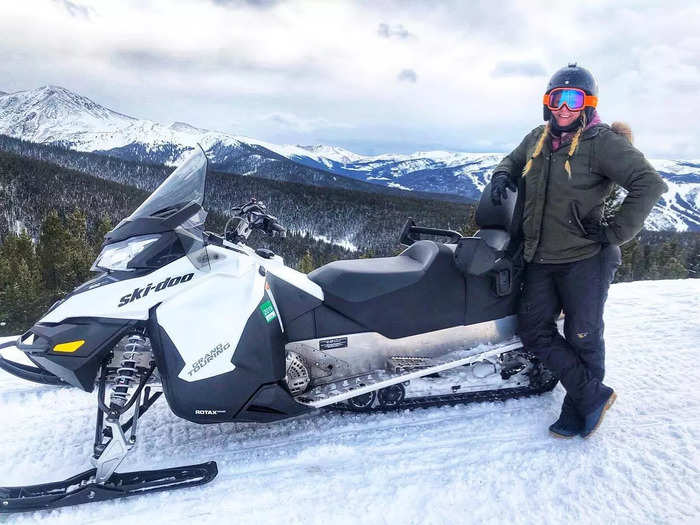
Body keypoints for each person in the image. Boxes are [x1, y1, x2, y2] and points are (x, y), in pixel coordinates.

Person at [489, 63, 668, 438]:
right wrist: (503, 174)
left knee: (583, 334)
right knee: (533, 330)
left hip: (586, 258)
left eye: (574, 99)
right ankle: (592, 394)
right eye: (557, 98)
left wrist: (614, 232)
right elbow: (512, 160)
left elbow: (648, 184)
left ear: (588, 103)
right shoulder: (537, 138)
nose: (564, 107)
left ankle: (580, 408)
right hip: (540, 257)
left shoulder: (601, 142)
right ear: (547, 103)